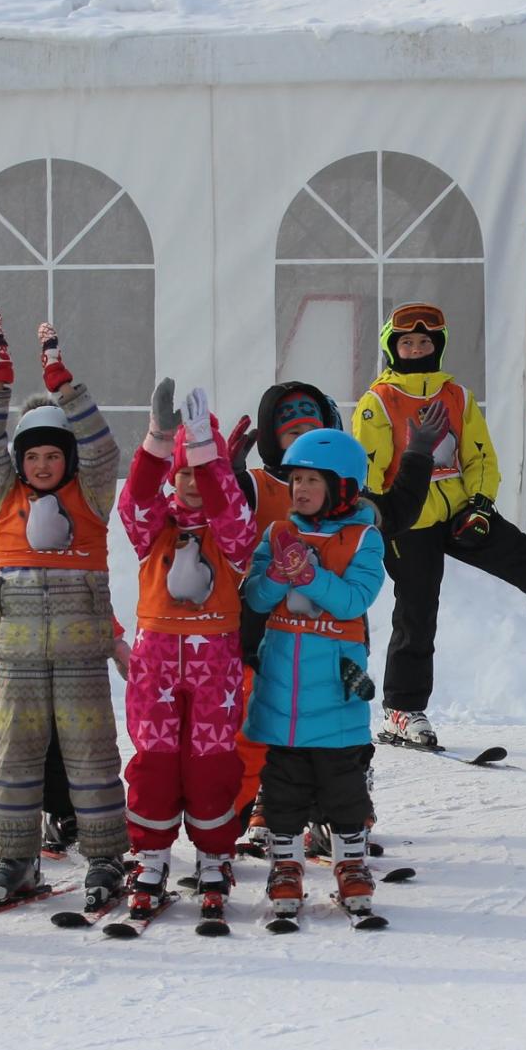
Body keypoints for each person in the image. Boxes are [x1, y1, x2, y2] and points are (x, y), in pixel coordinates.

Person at [354, 302, 526, 749]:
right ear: (393, 348)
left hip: (460, 508)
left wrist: (480, 504)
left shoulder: (456, 396)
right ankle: (402, 711)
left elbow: (480, 456)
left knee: (517, 550)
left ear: (437, 347)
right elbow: (369, 470)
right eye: (407, 343)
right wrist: (383, 517)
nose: (417, 348)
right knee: (418, 609)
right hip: (408, 517)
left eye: (425, 342)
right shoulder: (378, 404)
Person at [224, 381, 446, 850]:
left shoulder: (356, 507)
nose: (303, 485)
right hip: (270, 632)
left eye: (312, 423)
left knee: (342, 713)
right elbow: (223, 516)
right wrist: (224, 472)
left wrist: (419, 454)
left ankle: (342, 807)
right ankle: (271, 800)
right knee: (268, 715)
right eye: (289, 429)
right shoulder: (260, 486)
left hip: (338, 633)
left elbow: (402, 509)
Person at [0, 309, 130, 911]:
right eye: (31, 456)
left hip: (82, 655)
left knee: (92, 756)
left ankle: (107, 855)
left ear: (67, 459)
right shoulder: (3, 496)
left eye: (51, 456)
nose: (41, 465)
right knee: (15, 757)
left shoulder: (90, 495)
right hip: (19, 660)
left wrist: (64, 382)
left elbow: (104, 447)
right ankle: (14, 858)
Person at [118, 379, 260, 926]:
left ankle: (213, 857)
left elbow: (234, 520)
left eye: (201, 474)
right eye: (185, 474)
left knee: (210, 762)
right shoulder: (156, 526)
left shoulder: (230, 532)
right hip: (155, 662)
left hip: (215, 665)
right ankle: (150, 859)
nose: (194, 485)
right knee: (154, 762)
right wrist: (159, 441)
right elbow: (135, 501)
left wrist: (205, 450)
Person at [0, 497, 129, 857]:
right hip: (2, 645)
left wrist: (113, 638)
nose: (43, 467)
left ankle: (62, 813)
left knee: (63, 732)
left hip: (61, 642)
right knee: (12, 733)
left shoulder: (75, 508)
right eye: (32, 457)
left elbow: (84, 584)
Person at [240, 428, 388, 924]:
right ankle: (286, 865)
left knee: (343, 789)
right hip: (282, 688)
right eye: (295, 480)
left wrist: (309, 576)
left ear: (343, 486)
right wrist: (278, 573)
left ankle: (350, 863)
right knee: (282, 788)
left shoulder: (365, 538)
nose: (298, 489)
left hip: (335, 689)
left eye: (311, 480)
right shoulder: (278, 534)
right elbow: (256, 599)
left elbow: (353, 601)